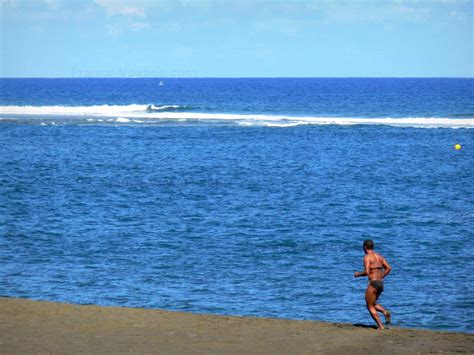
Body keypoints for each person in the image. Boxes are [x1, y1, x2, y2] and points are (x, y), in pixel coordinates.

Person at [354, 239, 392, 329]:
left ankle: (380, 326)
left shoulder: (367, 257)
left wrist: (358, 274)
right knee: (372, 303)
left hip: (373, 284)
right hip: (380, 283)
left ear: (365, 247)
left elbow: (367, 272)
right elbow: (389, 268)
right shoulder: (380, 257)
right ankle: (385, 312)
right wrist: (381, 277)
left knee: (369, 305)